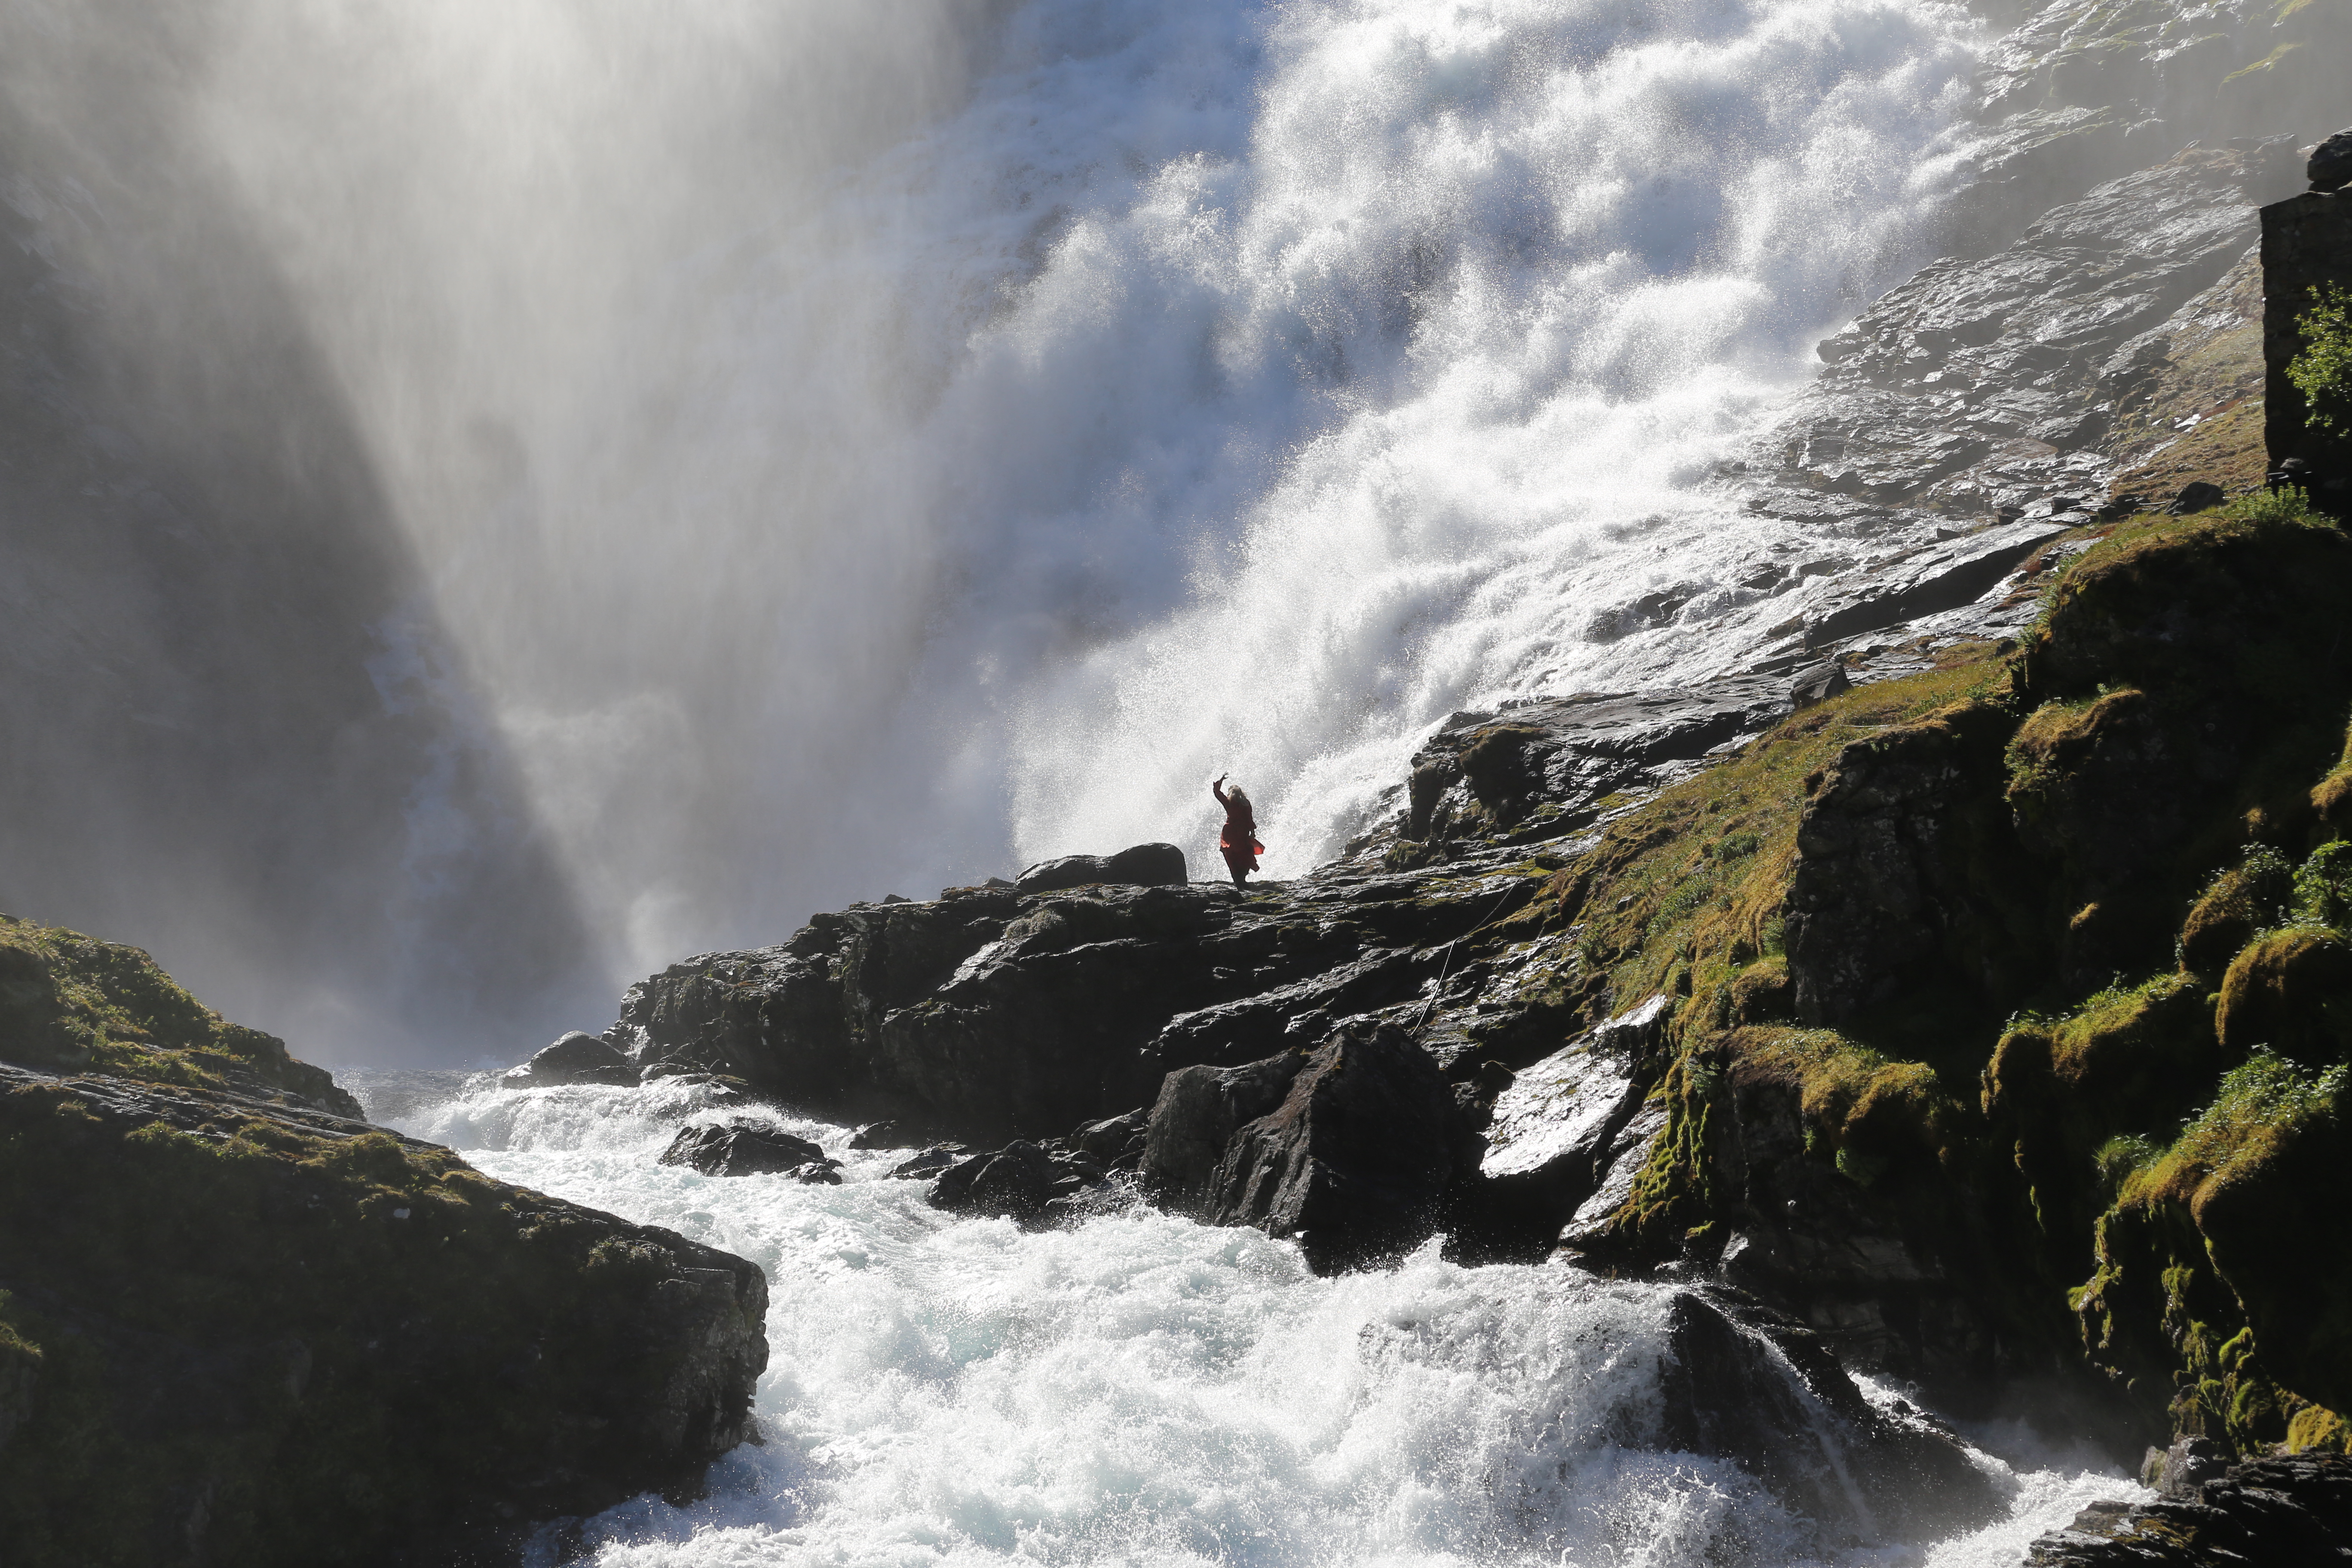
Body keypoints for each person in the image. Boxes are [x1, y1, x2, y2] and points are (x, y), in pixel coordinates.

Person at [1211, 774, 1264, 888]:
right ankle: (1242, 878)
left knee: (1230, 853)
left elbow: (1217, 792)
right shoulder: (1246, 804)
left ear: (1230, 794)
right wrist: (1252, 833)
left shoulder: (1229, 803)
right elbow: (1250, 819)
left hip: (1229, 833)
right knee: (1244, 852)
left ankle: (1237, 878)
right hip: (1242, 832)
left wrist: (1220, 781)